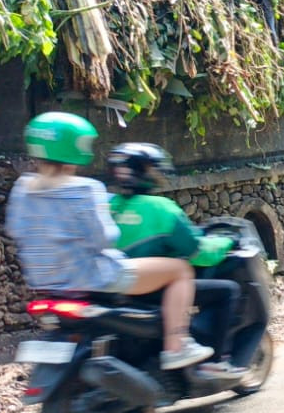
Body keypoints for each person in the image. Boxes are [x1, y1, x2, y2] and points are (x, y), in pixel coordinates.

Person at [5, 112, 212, 370]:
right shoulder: (86, 188)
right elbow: (105, 237)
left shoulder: (23, 188)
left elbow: (15, 229)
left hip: (47, 284)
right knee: (180, 270)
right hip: (97, 278)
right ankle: (176, 345)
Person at [105, 143, 247, 378]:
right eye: (152, 169)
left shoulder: (109, 206)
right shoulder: (162, 209)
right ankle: (213, 362)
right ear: (144, 173)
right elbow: (199, 253)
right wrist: (227, 242)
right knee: (227, 291)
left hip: (111, 287)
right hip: (151, 289)